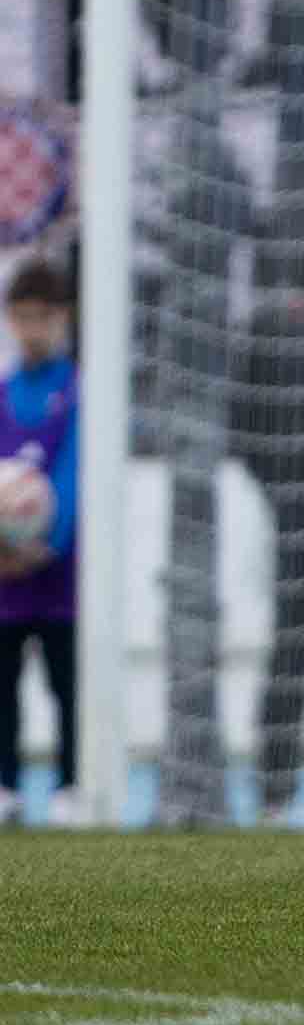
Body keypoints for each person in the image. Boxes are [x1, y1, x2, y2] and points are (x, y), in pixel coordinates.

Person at [0, 263, 74, 817]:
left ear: (63, 318)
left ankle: (73, 785)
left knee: (66, 684)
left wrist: (49, 543)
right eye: (23, 319)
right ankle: (7, 788)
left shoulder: (76, 392)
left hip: (61, 575)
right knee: (3, 690)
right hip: (5, 576)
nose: (33, 330)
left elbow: (75, 477)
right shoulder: (2, 394)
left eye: (43, 318)